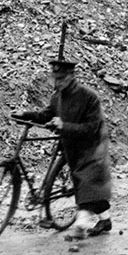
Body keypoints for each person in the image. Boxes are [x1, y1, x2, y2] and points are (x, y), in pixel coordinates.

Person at [16, 58, 114, 240]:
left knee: (87, 182)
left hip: (93, 146)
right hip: (72, 145)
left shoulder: (89, 97)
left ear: (71, 76)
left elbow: (92, 127)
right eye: (55, 78)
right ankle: (105, 220)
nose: (57, 82)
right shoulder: (57, 97)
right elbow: (46, 114)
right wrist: (26, 114)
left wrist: (64, 126)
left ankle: (81, 223)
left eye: (61, 78)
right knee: (83, 182)